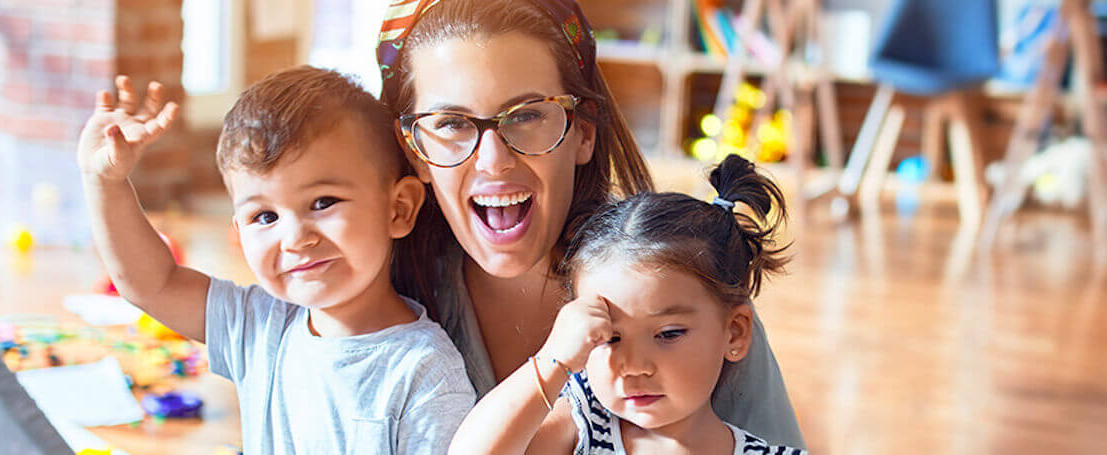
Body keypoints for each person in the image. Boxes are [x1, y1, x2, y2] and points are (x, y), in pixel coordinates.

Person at [376, 0, 804, 446]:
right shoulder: (375, 301)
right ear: (412, 150)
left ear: (583, 130)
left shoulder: (691, 287)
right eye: (450, 123)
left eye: (526, 115)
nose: (493, 162)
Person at [75, 66, 475, 454]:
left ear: (398, 209)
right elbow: (152, 284)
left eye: (323, 203)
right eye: (264, 217)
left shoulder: (426, 372)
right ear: (238, 230)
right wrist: (105, 182)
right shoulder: (261, 327)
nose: (296, 238)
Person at [448, 155, 806, 454]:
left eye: (668, 334)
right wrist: (552, 360)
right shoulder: (586, 421)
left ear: (735, 332)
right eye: (609, 338)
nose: (633, 367)